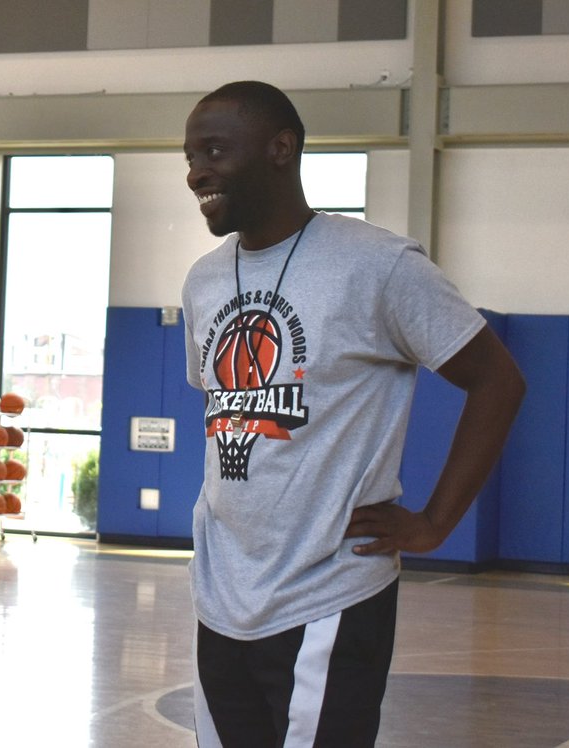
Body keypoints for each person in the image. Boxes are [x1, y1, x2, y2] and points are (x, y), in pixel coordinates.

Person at [180, 81, 525, 747]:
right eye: (191, 157)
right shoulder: (204, 279)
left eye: (215, 151)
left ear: (281, 148)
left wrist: (435, 522)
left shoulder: (377, 264)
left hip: (329, 593)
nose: (197, 172)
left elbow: (498, 381)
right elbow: (225, 411)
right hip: (219, 594)